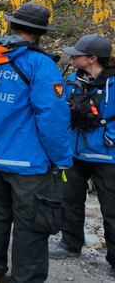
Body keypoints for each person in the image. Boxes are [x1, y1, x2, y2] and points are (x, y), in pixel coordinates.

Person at [0, 4, 72, 283]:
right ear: (39, 33)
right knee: (31, 225)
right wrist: (61, 159)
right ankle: (26, 279)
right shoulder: (41, 64)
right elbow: (51, 117)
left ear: (12, 25)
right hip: (29, 162)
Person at [49, 35, 115, 274]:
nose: (72, 56)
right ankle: (70, 243)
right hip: (75, 153)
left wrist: (110, 136)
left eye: (77, 54)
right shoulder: (71, 80)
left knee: (112, 209)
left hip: (107, 156)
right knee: (70, 201)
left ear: (92, 59)